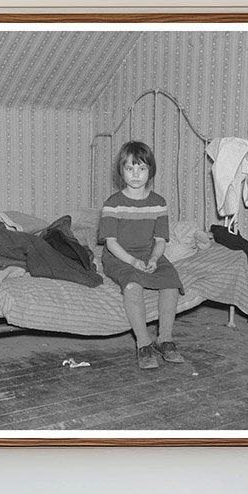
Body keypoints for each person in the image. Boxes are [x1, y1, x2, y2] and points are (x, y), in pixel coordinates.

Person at [99, 140, 185, 370]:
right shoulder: (113, 204)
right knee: (132, 285)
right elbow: (111, 243)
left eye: (142, 168)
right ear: (121, 171)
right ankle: (144, 344)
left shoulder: (159, 203)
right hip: (119, 256)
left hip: (149, 253)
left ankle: (164, 339)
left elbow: (159, 240)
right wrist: (132, 262)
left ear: (151, 170)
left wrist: (155, 259)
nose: (136, 174)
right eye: (129, 168)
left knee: (171, 281)